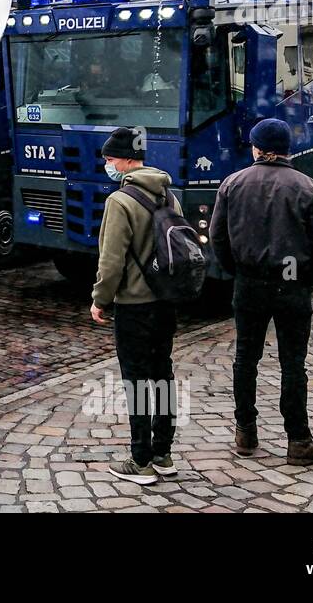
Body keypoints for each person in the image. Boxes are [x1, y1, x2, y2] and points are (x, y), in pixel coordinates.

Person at [210, 118, 313, 465]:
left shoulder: (232, 184)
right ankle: (298, 439)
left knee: (245, 359)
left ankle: (245, 433)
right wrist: (309, 277)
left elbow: (218, 237)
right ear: (286, 150)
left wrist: (236, 269)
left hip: (249, 280)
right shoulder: (307, 187)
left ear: (255, 148)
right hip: (291, 280)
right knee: (293, 364)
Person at [90, 127, 181, 486]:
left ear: (128, 160)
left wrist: (100, 300)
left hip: (135, 305)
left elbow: (111, 261)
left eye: (111, 159)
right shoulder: (168, 195)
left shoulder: (121, 201)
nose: (108, 166)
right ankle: (163, 453)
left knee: (137, 381)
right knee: (163, 375)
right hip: (166, 302)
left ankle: (140, 460)